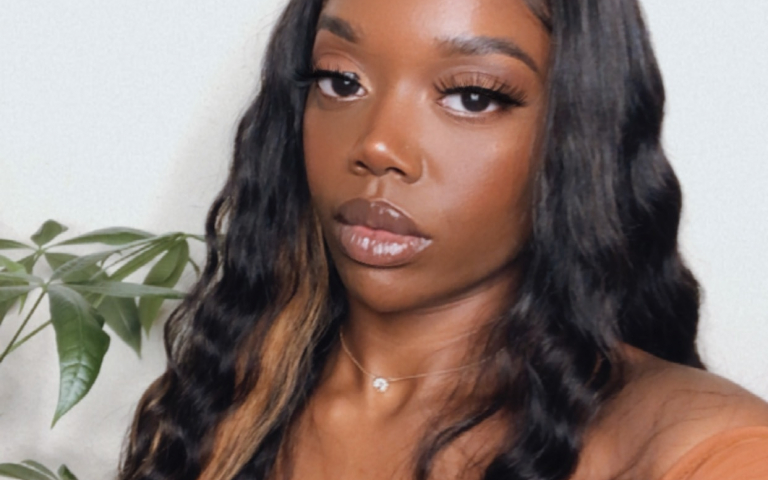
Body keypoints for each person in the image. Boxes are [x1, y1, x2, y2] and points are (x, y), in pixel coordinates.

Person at [118, 0, 768, 479]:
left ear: (582, 134)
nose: (378, 145)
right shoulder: (216, 406)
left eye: (473, 96)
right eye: (340, 81)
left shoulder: (704, 451)